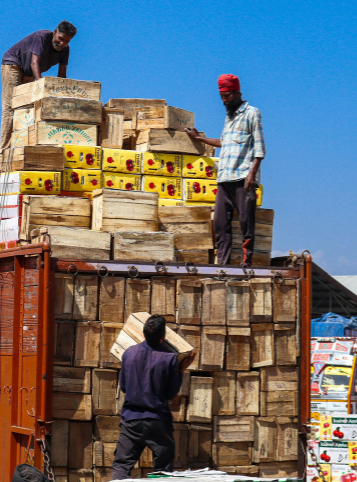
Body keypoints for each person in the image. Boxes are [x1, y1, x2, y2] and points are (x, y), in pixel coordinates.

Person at [184, 74, 266, 267]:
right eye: (221, 96)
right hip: (224, 179)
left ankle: (246, 265)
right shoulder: (228, 119)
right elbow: (225, 143)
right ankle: (224, 266)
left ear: (238, 93)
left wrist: (252, 175)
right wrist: (200, 139)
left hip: (243, 179)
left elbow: (260, 148)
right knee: (220, 226)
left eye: (227, 96)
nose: (224, 100)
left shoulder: (252, 113)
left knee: (246, 225)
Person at [111, 315, 196, 480]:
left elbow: (124, 387)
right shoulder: (170, 359)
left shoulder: (129, 353)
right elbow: (171, 394)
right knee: (162, 469)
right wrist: (181, 370)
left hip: (131, 421)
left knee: (121, 466)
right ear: (163, 337)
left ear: (143, 334)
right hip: (157, 422)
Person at [0, 21, 77, 149]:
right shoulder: (42, 37)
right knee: (11, 107)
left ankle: (21, 146)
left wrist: (61, 97)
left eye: (66, 41)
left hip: (30, 72)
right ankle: (4, 150)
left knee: (28, 108)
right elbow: (34, 62)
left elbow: (62, 76)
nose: (62, 43)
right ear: (54, 33)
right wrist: (41, 86)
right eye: (60, 39)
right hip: (13, 65)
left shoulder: (65, 50)